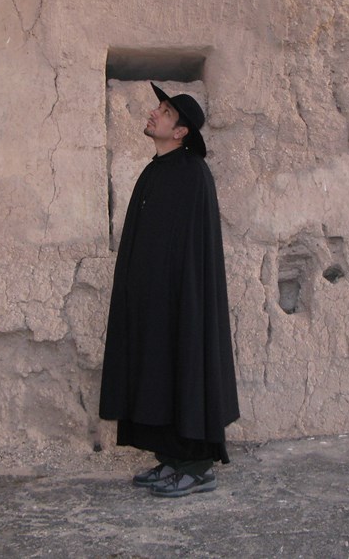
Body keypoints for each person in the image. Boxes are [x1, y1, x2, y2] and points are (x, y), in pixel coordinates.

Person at [99, 82, 240, 498]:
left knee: (185, 366)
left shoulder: (192, 174)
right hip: (153, 302)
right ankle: (173, 457)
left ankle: (197, 467)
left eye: (164, 111)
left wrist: (179, 299)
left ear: (181, 132)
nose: (154, 114)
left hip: (182, 302)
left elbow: (193, 253)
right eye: (157, 108)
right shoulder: (157, 169)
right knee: (158, 373)